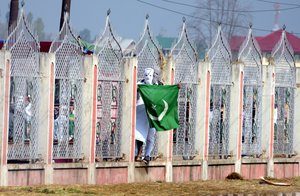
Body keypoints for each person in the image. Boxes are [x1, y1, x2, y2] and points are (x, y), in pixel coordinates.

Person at [135, 67, 162, 164]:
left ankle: (147, 155)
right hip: (140, 113)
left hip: (152, 114)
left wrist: (176, 87)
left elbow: (165, 93)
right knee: (138, 135)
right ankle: (137, 154)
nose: (149, 77)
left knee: (151, 136)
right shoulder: (140, 84)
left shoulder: (158, 86)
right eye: (146, 75)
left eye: (151, 75)